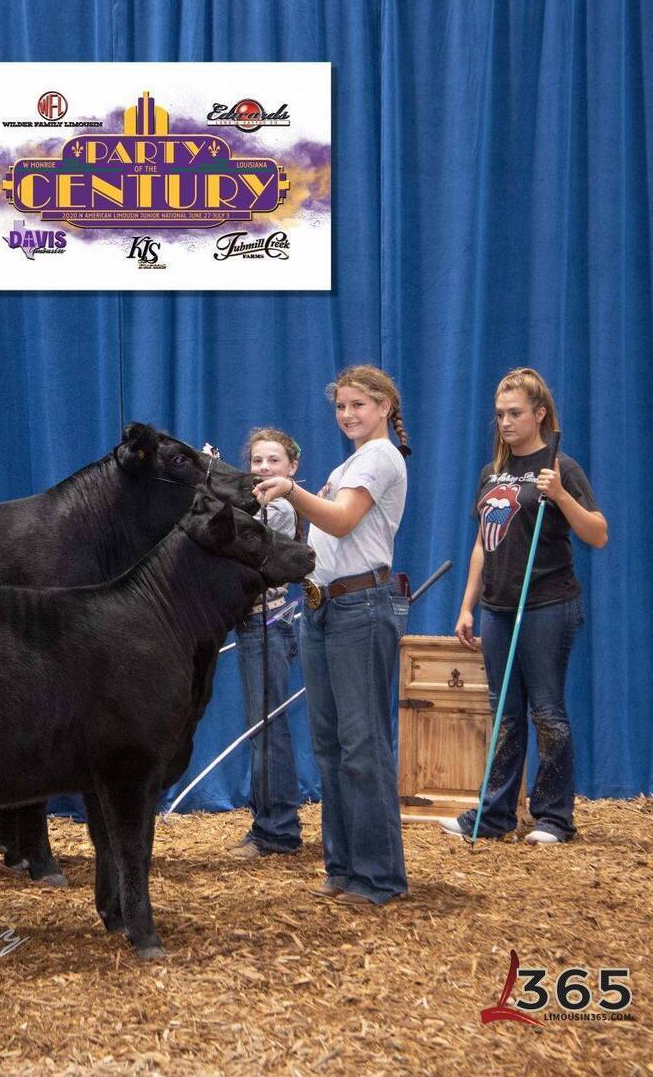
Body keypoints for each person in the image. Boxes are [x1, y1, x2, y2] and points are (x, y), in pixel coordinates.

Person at [255, 364, 411, 907]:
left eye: (358, 405)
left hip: (359, 608)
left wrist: (293, 491)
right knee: (330, 746)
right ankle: (343, 866)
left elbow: (342, 521)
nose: (347, 414)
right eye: (341, 406)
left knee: (362, 745)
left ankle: (379, 876)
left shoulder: (380, 457)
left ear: (384, 407)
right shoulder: (350, 463)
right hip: (324, 606)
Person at [445, 368, 607, 844]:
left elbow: (598, 533)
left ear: (539, 414)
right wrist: (467, 605)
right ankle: (494, 815)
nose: (505, 422)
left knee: (547, 712)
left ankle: (554, 817)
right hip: (497, 607)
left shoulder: (561, 468)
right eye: (499, 414)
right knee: (504, 714)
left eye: (515, 413)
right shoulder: (491, 473)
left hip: (547, 604)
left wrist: (560, 496)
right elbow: (483, 542)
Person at [230, 428, 305, 860]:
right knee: (260, 728)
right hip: (253, 624)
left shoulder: (277, 509)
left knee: (268, 727)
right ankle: (267, 822)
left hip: (267, 623)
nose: (262, 468)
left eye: (273, 460)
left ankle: (278, 830)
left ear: (292, 467)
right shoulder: (256, 506)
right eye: (257, 460)